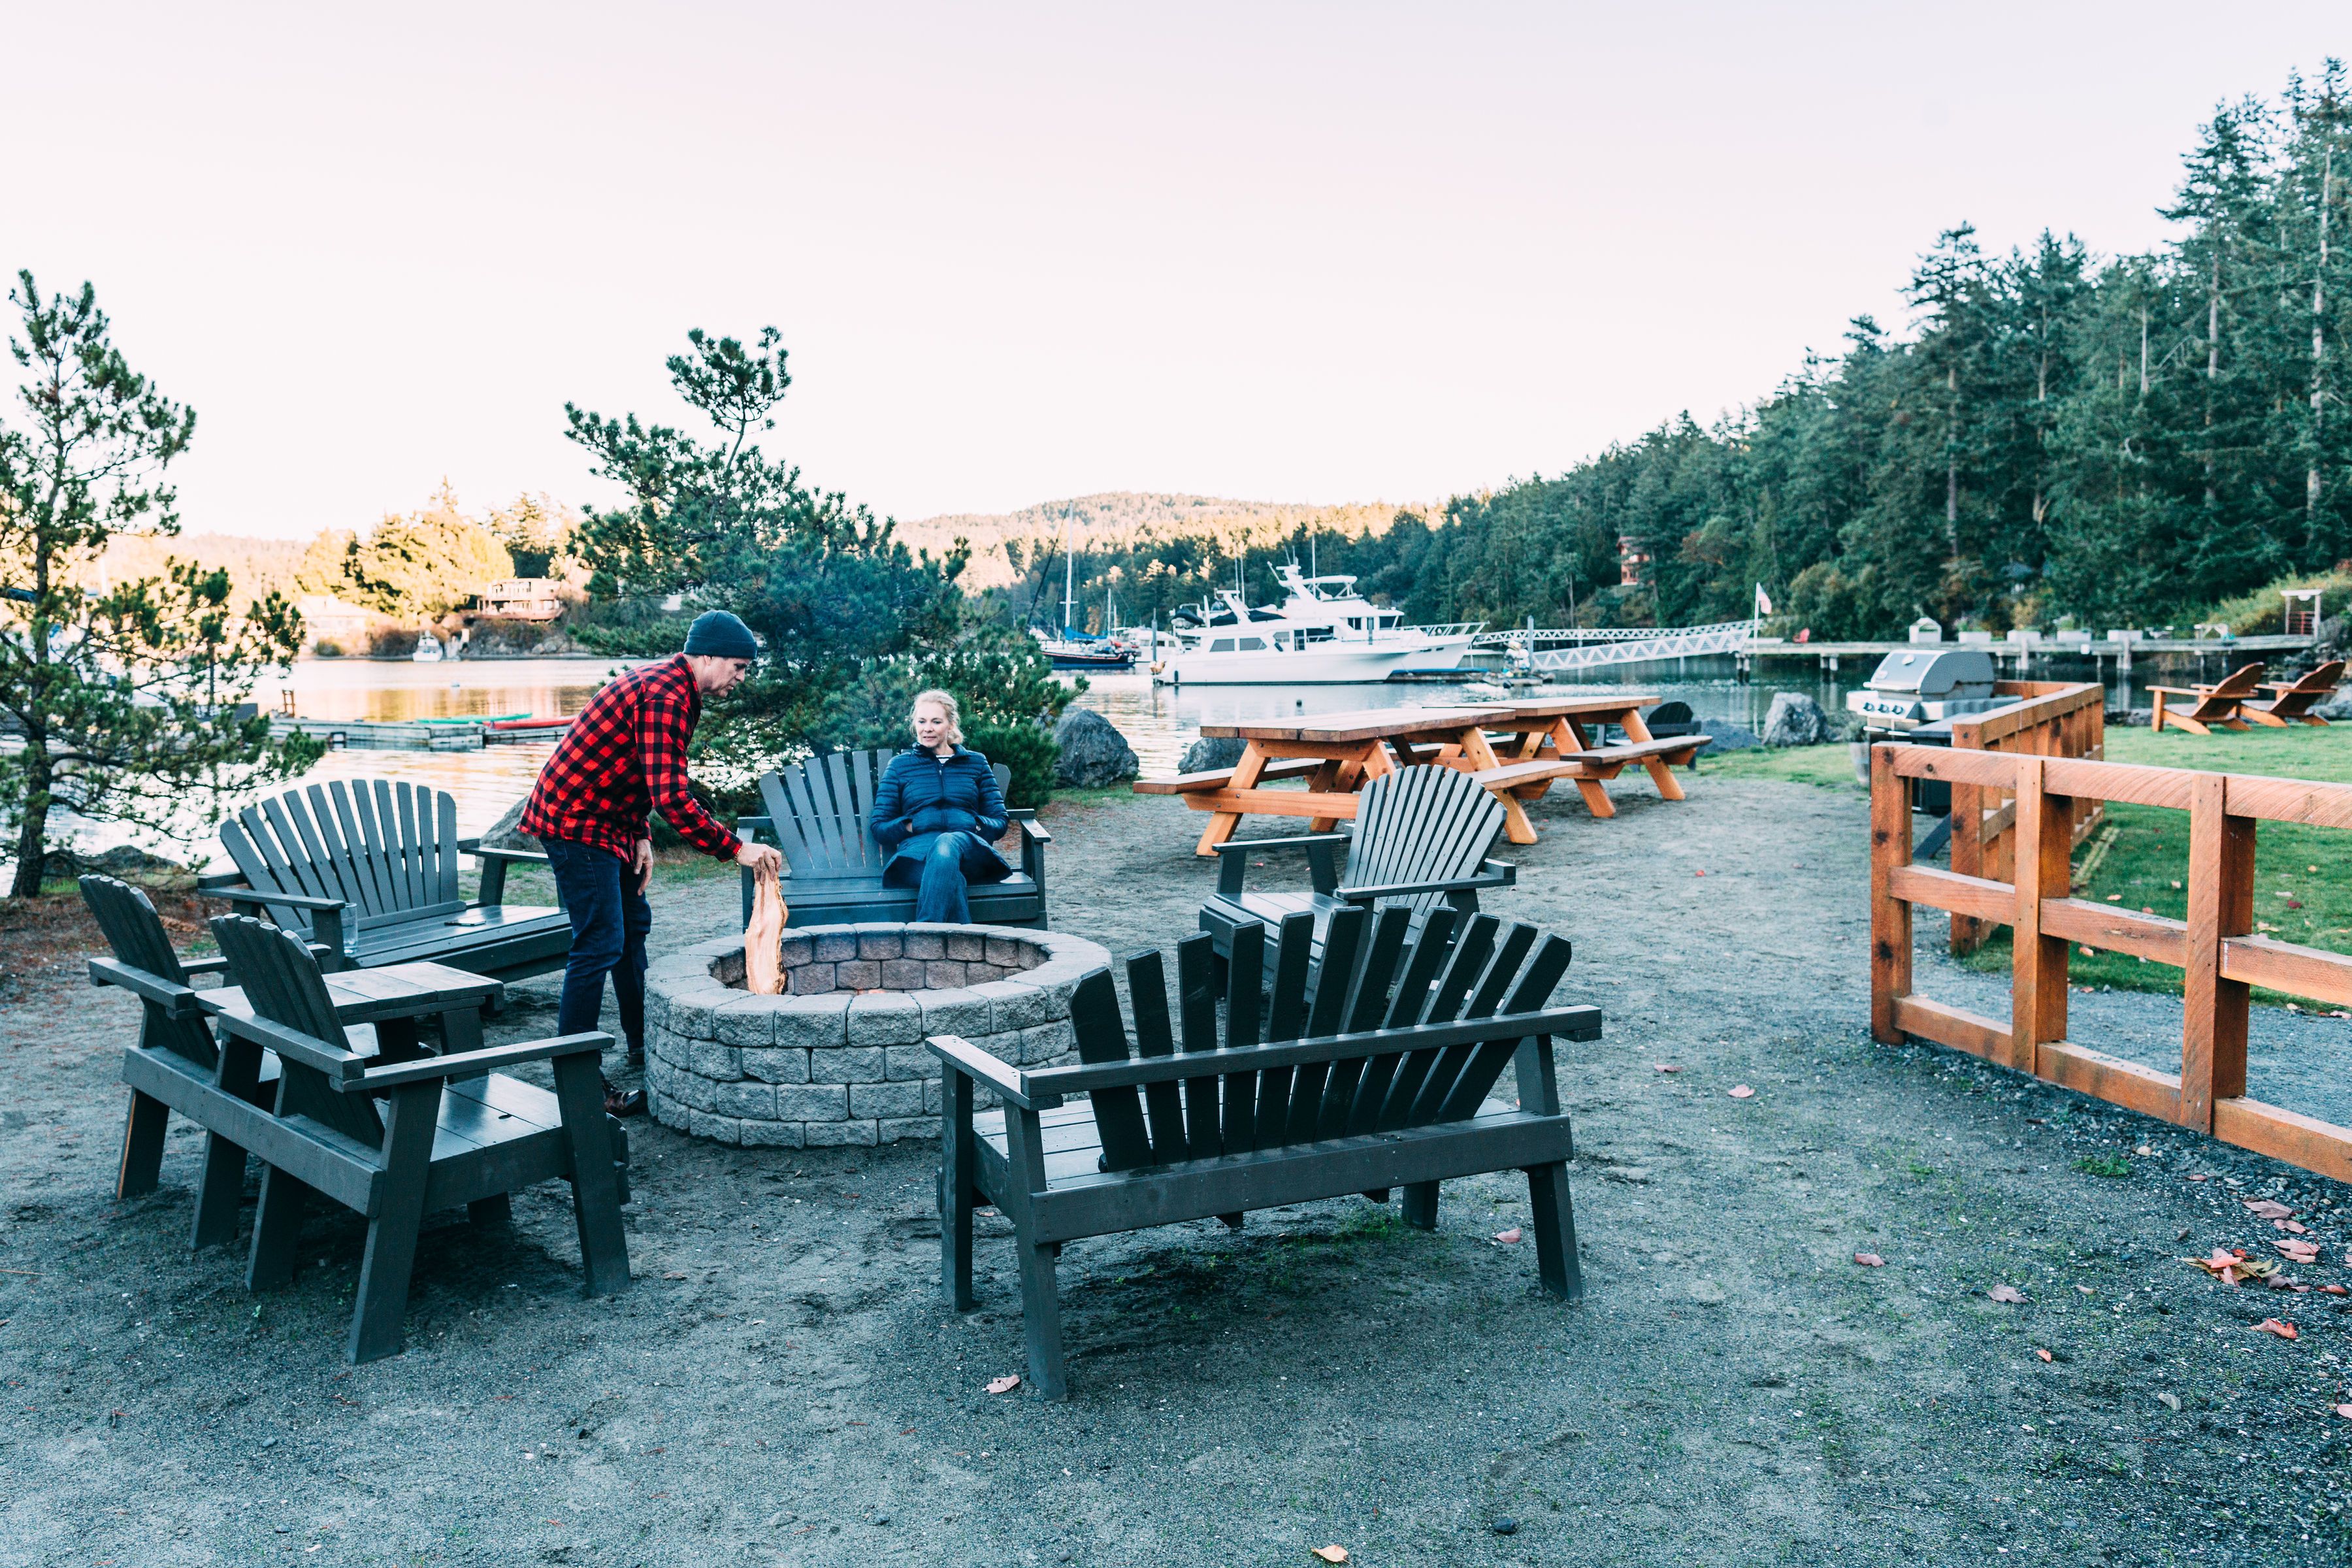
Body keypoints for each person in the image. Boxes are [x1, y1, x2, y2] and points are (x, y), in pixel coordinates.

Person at [521, 610, 783, 1115]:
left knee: (631, 928)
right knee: (598, 942)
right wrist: (734, 847)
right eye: (737, 666)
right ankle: (574, 1078)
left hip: (610, 823)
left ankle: (643, 1042)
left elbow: (635, 771)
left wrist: (639, 833)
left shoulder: (676, 688)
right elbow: (671, 795)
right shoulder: (667, 695)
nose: (741, 678)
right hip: (576, 823)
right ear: (705, 656)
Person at [869, 689, 1012, 924]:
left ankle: (924, 936)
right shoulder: (900, 766)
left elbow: (999, 820)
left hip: (967, 851)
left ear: (951, 725)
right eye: (922, 721)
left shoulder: (975, 763)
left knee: (947, 843)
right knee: (952, 879)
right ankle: (961, 948)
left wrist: (974, 824)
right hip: (916, 857)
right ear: (915, 724)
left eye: (936, 722)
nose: (927, 728)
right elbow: (879, 827)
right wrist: (911, 826)